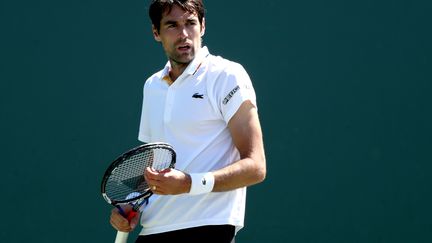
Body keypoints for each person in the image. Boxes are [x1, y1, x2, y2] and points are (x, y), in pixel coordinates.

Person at [109, 0, 266, 242]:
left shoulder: (226, 76)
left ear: (202, 27)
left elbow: (256, 167)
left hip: (209, 227)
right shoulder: (152, 86)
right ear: (156, 33)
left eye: (190, 23)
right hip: (153, 229)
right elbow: (154, 163)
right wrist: (132, 206)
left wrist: (189, 184)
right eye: (172, 25)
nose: (183, 34)